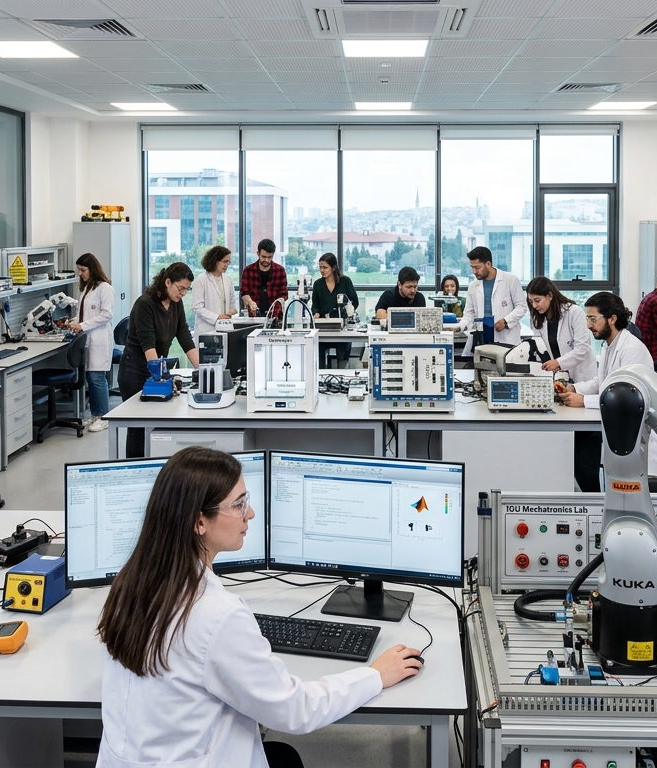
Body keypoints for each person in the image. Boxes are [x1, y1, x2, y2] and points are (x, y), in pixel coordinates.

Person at [96, 446, 423, 768]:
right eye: (238, 505)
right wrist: (374, 676)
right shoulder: (215, 613)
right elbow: (295, 710)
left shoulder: (130, 584)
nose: (250, 514)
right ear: (199, 522)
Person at [559, 292, 657, 491]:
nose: (588, 325)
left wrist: (583, 401)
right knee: (575, 443)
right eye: (588, 319)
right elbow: (602, 382)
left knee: (584, 453)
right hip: (616, 419)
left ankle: (594, 501)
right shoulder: (609, 346)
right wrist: (575, 388)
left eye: (593, 319)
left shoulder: (631, 349)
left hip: (632, 425)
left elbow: (623, 398)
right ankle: (592, 497)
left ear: (612, 318)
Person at [118, 263, 202, 458]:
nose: (183, 294)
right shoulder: (145, 304)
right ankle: (136, 469)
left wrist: (205, 369)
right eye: (181, 288)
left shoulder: (176, 304)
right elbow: (148, 345)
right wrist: (159, 377)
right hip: (134, 372)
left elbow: (184, 337)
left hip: (154, 368)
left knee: (158, 425)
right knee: (138, 427)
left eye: (186, 290)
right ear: (167, 282)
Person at [57, 252, 116, 433]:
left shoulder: (104, 288)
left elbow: (106, 315)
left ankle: (104, 417)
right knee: (91, 378)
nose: (80, 273)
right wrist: (73, 322)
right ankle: (96, 414)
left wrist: (82, 325)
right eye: (79, 270)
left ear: (93, 269)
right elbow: (84, 314)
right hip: (87, 339)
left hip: (99, 339)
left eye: (83, 270)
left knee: (97, 379)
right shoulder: (86, 288)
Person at [525, 276, 594, 386]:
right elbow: (540, 349)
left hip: (580, 375)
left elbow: (582, 348)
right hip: (557, 377)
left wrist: (558, 363)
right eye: (531, 301)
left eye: (537, 300)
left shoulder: (574, 312)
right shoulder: (537, 319)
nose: (534, 305)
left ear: (550, 295)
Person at [460, 246, 527, 352]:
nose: (474, 271)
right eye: (472, 267)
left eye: (477, 267)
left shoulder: (510, 280)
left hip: (506, 338)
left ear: (488, 264)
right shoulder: (473, 286)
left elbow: (522, 307)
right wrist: (460, 326)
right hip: (482, 338)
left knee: (505, 366)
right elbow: (469, 313)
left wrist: (506, 321)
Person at [311, 253, 358, 366]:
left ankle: (341, 372)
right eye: (320, 267)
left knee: (344, 344)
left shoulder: (345, 281)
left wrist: (346, 314)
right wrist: (316, 313)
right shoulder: (318, 284)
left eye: (325, 267)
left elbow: (354, 302)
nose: (322, 270)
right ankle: (321, 374)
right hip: (324, 328)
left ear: (333, 267)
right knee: (318, 346)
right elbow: (315, 305)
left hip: (341, 327)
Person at [191, 245, 238, 339]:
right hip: (206, 329)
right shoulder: (201, 279)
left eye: (228, 262)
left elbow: (233, 305)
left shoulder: (228, 280)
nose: (227, 265)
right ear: (215, 261)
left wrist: (231, 312)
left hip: (224, 328)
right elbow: (197, 307)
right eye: (224, 261)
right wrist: (217, 317)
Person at [240, 238, 288, 318]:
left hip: (275, 316)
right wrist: (250, 302)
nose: (266, 260)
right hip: (254, 316)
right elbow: (244, 292)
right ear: (258, 253)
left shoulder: (280, 270)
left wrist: (278, 305)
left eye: (270, 257)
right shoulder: (248, 270)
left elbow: (284, 294)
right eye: (264, 257)